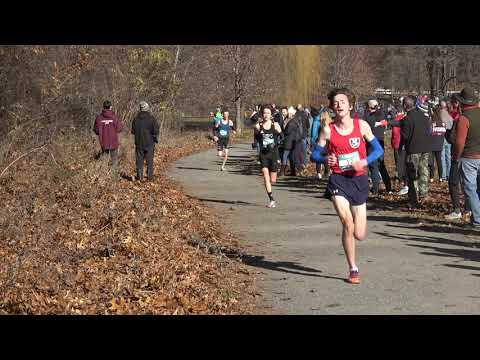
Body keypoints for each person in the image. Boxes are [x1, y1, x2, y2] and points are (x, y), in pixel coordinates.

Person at [311, 88, 384, 284]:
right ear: (332, 107)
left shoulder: (362, 126)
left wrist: (364, 161)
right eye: (335, 102)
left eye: (343, 101)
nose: (339, 104)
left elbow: (378, 149)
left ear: (350, 105)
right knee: (347, 224)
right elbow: (314, 155)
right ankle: (353, 268)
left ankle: (354, 253)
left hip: (358, 180)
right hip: (338, 180)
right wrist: (326, 157)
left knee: (359, 234)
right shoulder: (328, 130)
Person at [453, 87, 480, 229]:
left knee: (470, 189)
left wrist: (456, 157)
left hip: (469, 157)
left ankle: (477, 220)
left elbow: (459, 142)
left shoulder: (464, 118)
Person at [401, 96, 434, 208]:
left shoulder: (407, 119)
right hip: (425, 148)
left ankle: (414, 200)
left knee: (412, 175)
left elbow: (405, 136)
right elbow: (429, 131)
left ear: (405, 106)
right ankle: (424, 195)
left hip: (413, 149)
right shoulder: (424, 117)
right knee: (424, 171)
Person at [254, 105, 282, 208]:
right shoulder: (258, 126)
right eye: (264, 113)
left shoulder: (276, 125)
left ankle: (270, 184)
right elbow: (256, 138)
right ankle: (271, 199)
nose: (266, 115)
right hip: (263, 154)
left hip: (274, 154)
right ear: (262, 114)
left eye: (268, 113)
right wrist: (255, 143)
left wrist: (275, 144)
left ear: (271, 115)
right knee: (265, 175)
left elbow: (282, 138)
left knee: (273, 180)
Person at [363, 99, 392, 195]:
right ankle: (388, 187)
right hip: (381, 142)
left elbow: (369, 123)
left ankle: (375, 190)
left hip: (372, 143)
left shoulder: (369, 115)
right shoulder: (382, 114)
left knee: (373, 166)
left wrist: (368, 110)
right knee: (381, 165)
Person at [131, 101, 159, 181]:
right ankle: (150, 177)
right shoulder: (152, 119)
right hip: (149, 143)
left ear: (140, 109)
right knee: (149, 161)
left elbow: (133, 131)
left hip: (139, 143)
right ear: (147, 108)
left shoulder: (135, 119)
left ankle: (140, 177)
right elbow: (156, 131)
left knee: (139, 161)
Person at [93, 100, 123, 171]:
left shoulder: (99, 118)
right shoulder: (114, 117)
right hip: (113, 141)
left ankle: (104, 174)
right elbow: (119, 128)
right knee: (114, 160)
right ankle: (113, 175)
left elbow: (96, 130)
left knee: (104, 159)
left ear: (103, 107)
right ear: (110, 107)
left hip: (103, 141)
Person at [279, 106, 298, 176]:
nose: (287, 114)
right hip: (292, 141)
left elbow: (286, 131)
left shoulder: (291, 122)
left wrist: (281, 132)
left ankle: (282, 172)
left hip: (288, 142)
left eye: (289, 113)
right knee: (290, 157)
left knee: (284, 157)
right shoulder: (294, 121)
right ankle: (293, 172)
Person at [439, 100, 454, 181]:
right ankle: (449, 174)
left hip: (441, 137)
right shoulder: (449, 116)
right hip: (448, 138)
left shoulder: (439, 115)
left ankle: (444, 175)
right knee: (448, 157)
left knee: (442, 157)